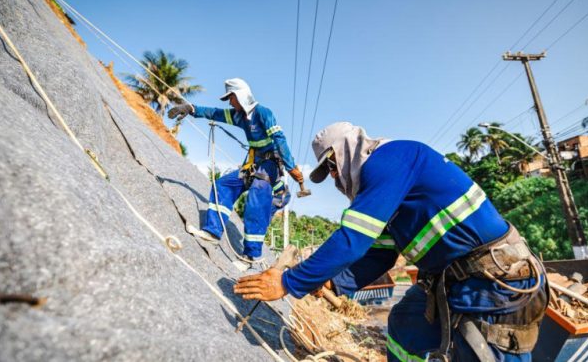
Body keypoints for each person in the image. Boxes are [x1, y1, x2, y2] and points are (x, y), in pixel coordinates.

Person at [234, 122, 548, 361]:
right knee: (404, 326)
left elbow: (352, 238)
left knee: (482, 349)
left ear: (345, 151)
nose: (333, 177)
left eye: (331, 166)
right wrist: (332, 283)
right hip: (452, 281)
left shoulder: (389, 160)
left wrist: (290, 281)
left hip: (495, 281)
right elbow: (378, 256)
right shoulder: (387, 190)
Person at [168, 78, 303, 261]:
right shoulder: (238, 116)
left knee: (257, 194)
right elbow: (215, 113)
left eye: (231, 98)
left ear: (240, 95)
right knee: (223, 184)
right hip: (254, 164)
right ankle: (213, 232)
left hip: (270, 165)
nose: (229, 102)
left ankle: (251, 254)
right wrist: (191, 109)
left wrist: (291, 167)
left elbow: (279, 139)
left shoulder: (263, 113)